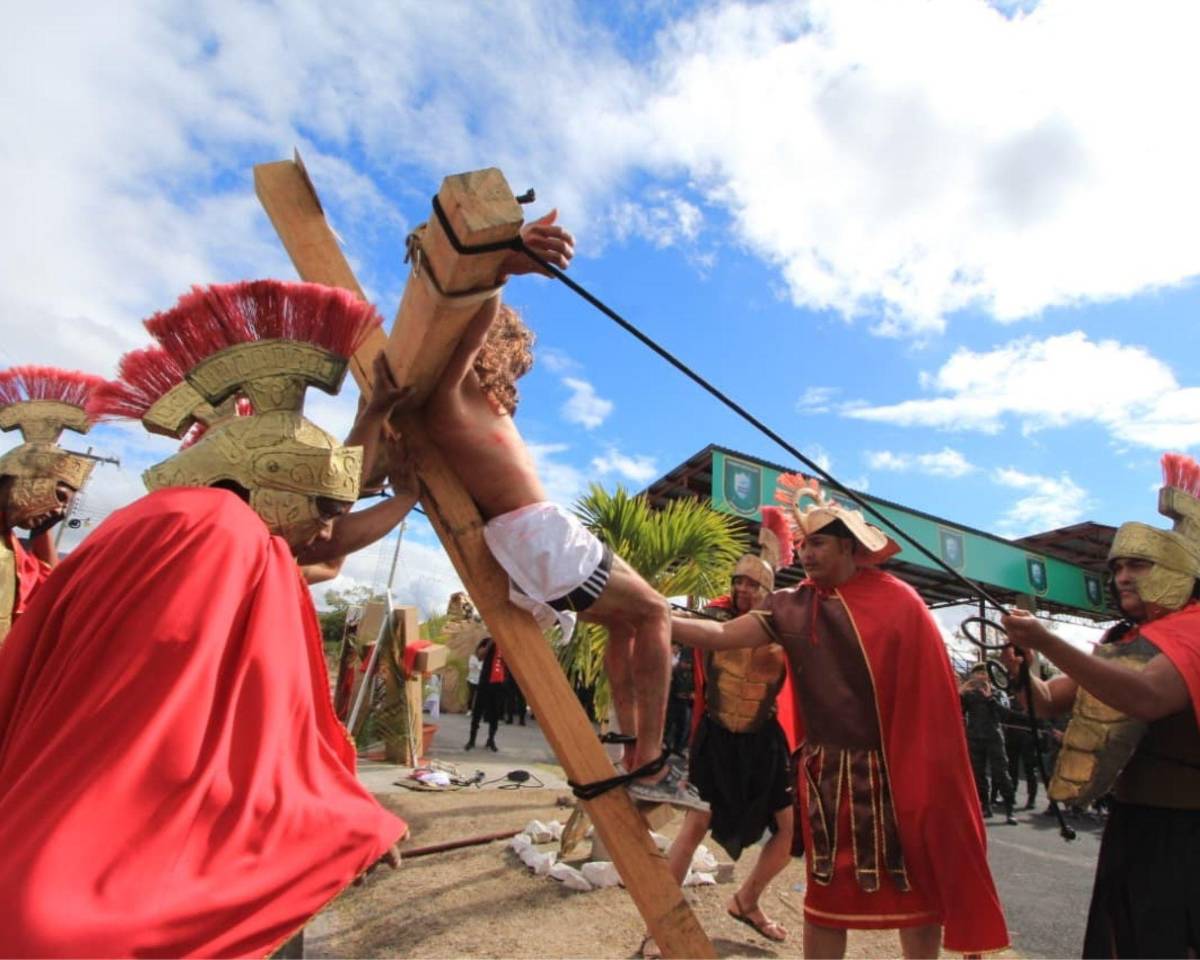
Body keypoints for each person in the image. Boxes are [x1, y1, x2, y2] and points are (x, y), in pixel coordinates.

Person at [0, 281, 408, 957]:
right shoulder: (220, 538)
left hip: (34, 835)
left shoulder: (154, 522)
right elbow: (221, 719)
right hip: (104, 886)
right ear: (263, 481)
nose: (322, 532)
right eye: (323, 509)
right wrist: (335, 825)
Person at [395, 211, 700, 808]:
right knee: (655, 612)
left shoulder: (449, 410)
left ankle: (625, 745)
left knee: (622, 621)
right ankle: (652, 759)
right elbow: (474, 317)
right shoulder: (451, 396)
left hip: (526, 541)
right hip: (537, 533)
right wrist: (501, 262)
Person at [671, 475, 1008, 959]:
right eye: (804, 544)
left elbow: (927, 700)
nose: (807, 554)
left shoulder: (900, 604)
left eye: (819, 543)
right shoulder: (791, 605)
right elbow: (723, 636)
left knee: (916, 890)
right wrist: (658, 618)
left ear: (850, 548)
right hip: (828, 776)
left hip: (899, 773)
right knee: (825, 896)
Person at [1002, 452, 1200, 958]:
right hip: (1133, 822)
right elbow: (1043, 703)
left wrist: (1047, 642)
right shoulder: (1125, 637)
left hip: (1188, 833)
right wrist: (1023, 665)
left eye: (1139, 564)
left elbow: (1149, 697)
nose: (1122, 577)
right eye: (1117, 568)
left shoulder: (1195, 629)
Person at [641, 507, 798, 960]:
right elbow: (700, 632)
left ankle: (747, 901)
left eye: (754, 584)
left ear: (769, 589)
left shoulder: (788, 626)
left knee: (790, 831)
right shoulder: (715, 616)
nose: (744, 589)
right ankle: (660, 925)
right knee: (695, 826)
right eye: (739, 581)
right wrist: (649, 615)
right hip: (717, 738)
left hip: (764, 740)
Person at [0, 365, 104, 644]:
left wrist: (42, 529)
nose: (59, 510)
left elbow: (47, 592)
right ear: (21, 478)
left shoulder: (11, 550)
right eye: (59, 496)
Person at [960, 663, 1019, 824]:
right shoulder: (968, 695)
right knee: (978, 775)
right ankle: (985, 806)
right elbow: (957, 710)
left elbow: (1005, 715)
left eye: (983, 673)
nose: (980, 676)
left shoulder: (998, 693)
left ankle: (1010, 809)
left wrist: (990, 699)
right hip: (975, 737)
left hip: (994, 736)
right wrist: (961, 691)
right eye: (977, 673)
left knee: (1001, 773)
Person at [466, 636, 505, 751]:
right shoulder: (487, 641)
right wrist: (491, 643)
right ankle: (472, 740)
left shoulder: (507, 642)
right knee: (477, 712)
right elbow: (479, 656)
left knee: (495, 715)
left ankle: (491, 740)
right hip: (485, 682)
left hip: (499, 683)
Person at [663, 643, 695, 757]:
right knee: (669, 724)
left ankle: (678, 748)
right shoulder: (675, 671)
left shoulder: (693, 674)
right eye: (686, 662)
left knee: (683, 726)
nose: (687, 665)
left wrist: (692, 694)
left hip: (686, 703)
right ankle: (665, 746)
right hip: (673, 700)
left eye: (689, 663)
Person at [466, 640, 484, 711]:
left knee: (480, 697)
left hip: (481, 680)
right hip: (472, 679)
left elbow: (481, 668)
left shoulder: (485, 659)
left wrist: (477, 666)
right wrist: (478, 666)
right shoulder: (472, 657)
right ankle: (469, 709)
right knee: (471, 695)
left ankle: (478, 710)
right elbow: (471, 667)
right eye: (480, 649)